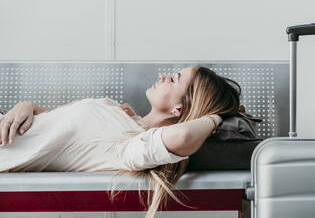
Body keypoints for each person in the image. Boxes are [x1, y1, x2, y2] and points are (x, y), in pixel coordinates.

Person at [0, 64, 242, 218]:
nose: (163, 75)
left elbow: (184, 136)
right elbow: (54, 120)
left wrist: (216, 116)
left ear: (179, 108)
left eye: (174, 79)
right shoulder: (119, 111)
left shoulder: (131, 145)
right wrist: (27, 106)